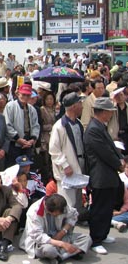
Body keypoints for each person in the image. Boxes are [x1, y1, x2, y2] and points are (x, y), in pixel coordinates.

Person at [84, 97, 125, 255]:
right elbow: (104, 152)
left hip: (109, 174)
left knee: (108, 206)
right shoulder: (93, 128)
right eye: (109, 112)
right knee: (100, 208)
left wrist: (119, 160)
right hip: (100, 174)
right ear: (104, 112)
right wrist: (118, 164)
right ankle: (96, 239)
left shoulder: (100, 126)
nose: (111, 115)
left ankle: (104, 233)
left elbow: (111, 147)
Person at [19, 194, 92, 262]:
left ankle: (60, 257)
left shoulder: (61, 205)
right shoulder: (33, 212)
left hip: (61, 236)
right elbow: (38, 236)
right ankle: (68, 253)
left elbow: (74, 215)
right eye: (57, 214)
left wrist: (63, 231)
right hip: (42, 243)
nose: (59, 215)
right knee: (49, 250)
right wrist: (62, 244)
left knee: (87, 239)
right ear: (49, 210)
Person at [49, 92, 86, 210]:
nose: (82, 106)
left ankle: (72, 226)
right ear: (74, 106)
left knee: (77, 204)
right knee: (66, 204)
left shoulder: (78, 123)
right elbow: (54, 150)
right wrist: (65, 165)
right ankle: (63, 228)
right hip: (66, 170)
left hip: (79, 165)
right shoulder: (59, 126)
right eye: (80, 103)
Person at [4, 83, 40, 167]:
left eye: (28, 95)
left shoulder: (32, 109)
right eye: (23, 95)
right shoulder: (10, 106)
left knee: (26, 169)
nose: (25, 97)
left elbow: (36, 126)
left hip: (28, 142)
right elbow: (7, 125)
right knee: (14, 168)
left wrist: (33, 139)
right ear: (18, 94)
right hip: (14, 143)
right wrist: (18, 139)